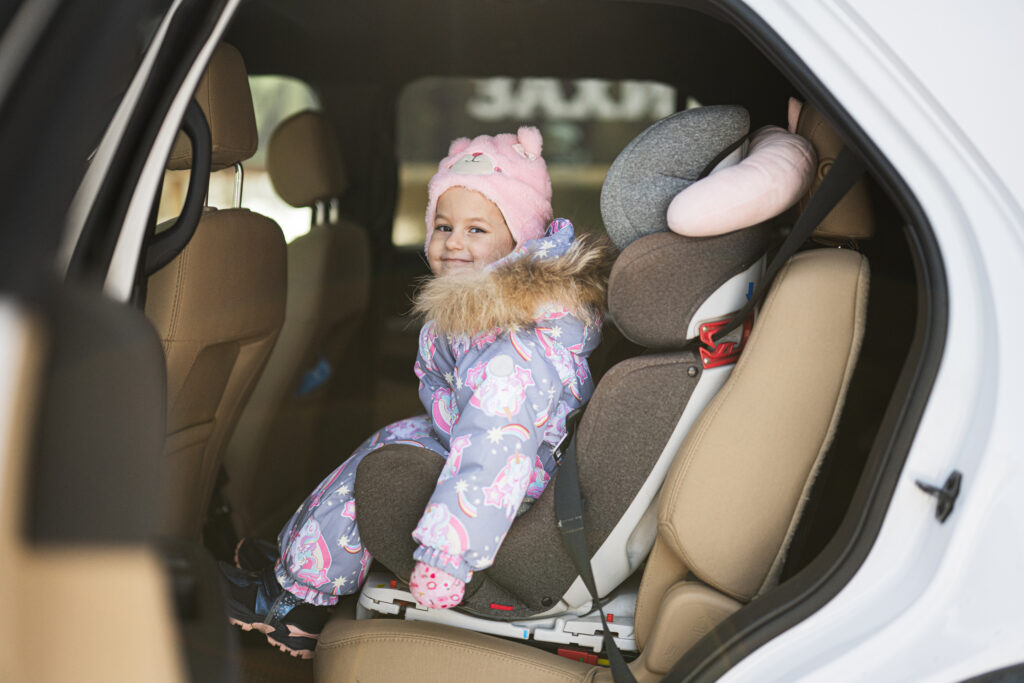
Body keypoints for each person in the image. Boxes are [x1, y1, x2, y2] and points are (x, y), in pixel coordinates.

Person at [221, 126, 614, 659]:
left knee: (377, 470)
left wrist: (448, 558)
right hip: (499, 459)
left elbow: (494, 448)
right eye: (443, 225)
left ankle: (292, 607)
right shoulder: (486, 314)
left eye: (477, 229)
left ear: (520, 242)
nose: (454, 242)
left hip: (510, 488)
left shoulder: (513, 349)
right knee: (391, 441)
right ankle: (301, 563)